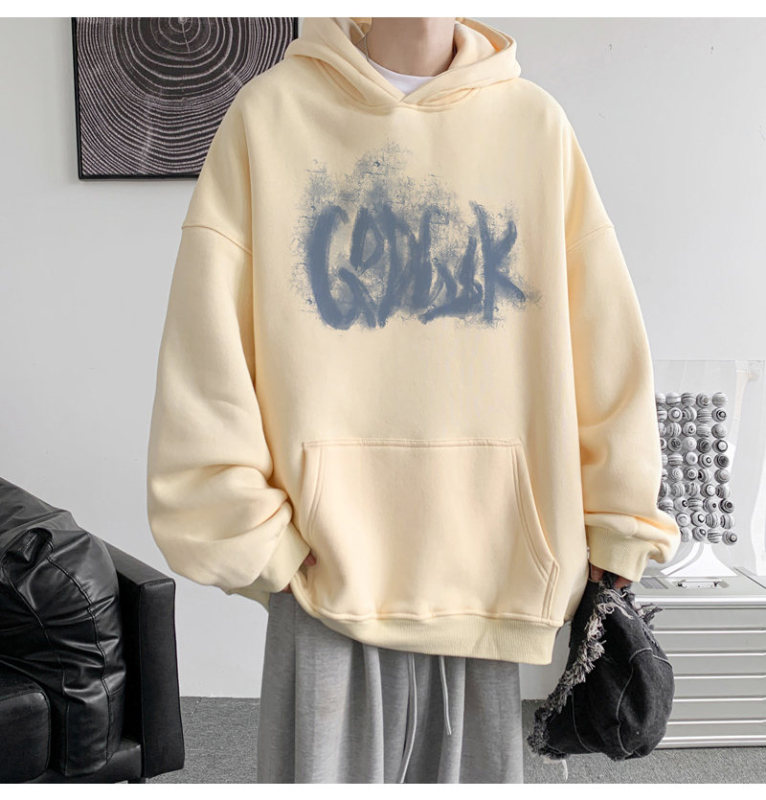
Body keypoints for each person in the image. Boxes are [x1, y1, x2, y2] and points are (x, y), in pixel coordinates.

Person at [146, 16, 681, 783]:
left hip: (494, 574)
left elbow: (607, 349)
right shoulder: (269, 115)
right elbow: (206, 354)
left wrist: (619, 526)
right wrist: (252, 538)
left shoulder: (533, 125)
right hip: (327, 577)